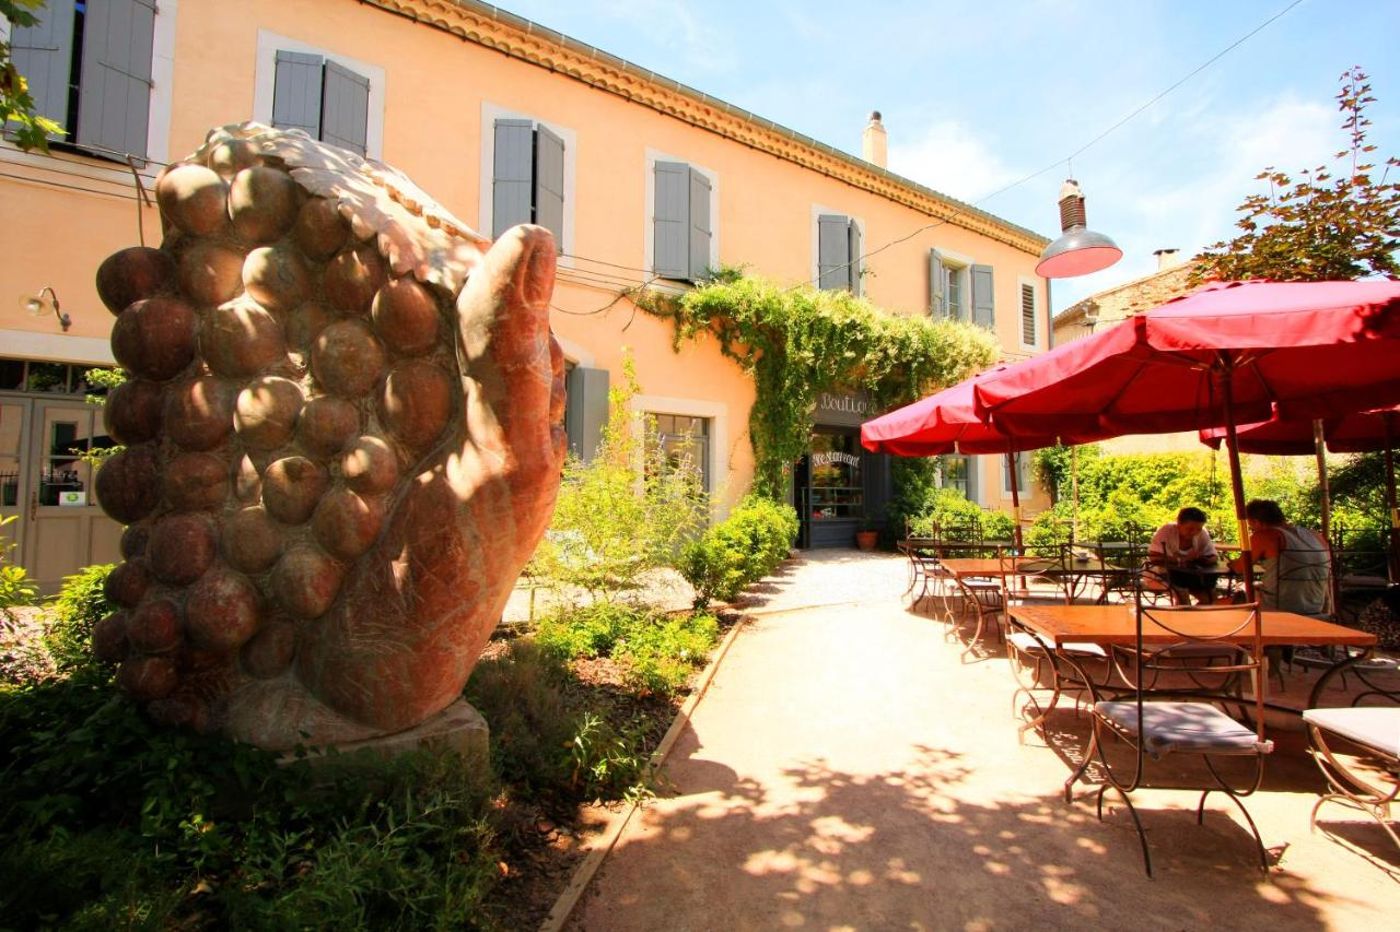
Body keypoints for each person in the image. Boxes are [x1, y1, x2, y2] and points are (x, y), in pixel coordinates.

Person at [1228, 499, 1331, 617]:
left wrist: (1231, 564)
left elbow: (1240, 568)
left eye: (1251, 527)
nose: (1252, 530)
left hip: (1278, 607)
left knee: (1235, 596)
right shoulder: (1316, 536)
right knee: (1258, 586)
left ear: (1257, 522)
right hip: (1315, 607)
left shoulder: (1265, 535)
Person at [1145, 506, 1220, 604]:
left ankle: (1197, 617)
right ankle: (1184, 616)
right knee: (1181, 594)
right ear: (1179, 524)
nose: (1194, 532)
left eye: (1198, 529)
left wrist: (1203, 560)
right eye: (1190, 528)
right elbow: (1154, 557)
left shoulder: (1202, 533)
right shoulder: (1167, 531)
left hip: (1187, 576)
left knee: (1210, 597)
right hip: (1160, 574)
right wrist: (1181, 560)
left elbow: (1213, 556)